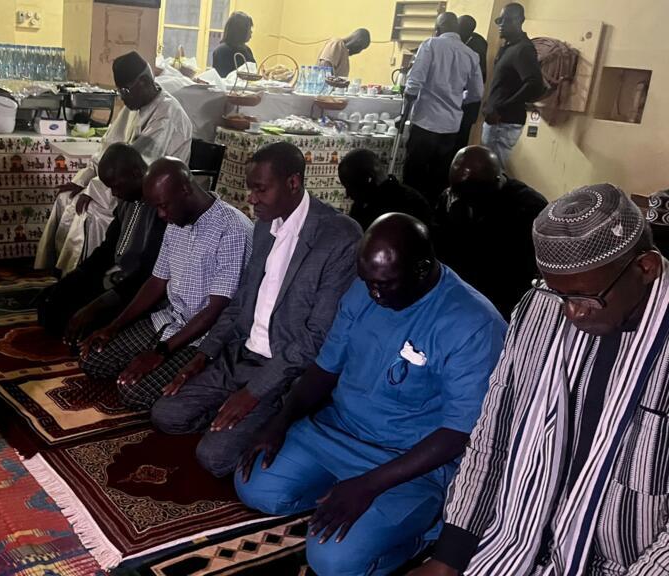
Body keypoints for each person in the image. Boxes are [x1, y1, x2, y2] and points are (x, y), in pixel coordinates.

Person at [410, 184, 669, 576]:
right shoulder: (539, 309)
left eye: (586, 298)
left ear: (645, 268)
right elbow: (493, 436)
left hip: (626, 564)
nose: (572, 315)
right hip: (515, 545)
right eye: (558, 294)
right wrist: (450, 554)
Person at [235, 213, 506, 576]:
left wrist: (368, 485)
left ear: (422, 269)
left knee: (332, 560)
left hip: (409, 461)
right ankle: (345, 500)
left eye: (383, 284)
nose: (373, 294)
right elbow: (326, 367)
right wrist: (280, 421)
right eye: (368, 282)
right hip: (339, 430)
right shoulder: (364, 291)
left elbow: (459, 433)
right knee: (253, 484)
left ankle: (422, 533)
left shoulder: (474, 324)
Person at [151, 142, 361, 477]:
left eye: (260, 189)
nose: (251, 199)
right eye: (251, 189)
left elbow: (316, 336)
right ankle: (233, 420)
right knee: (165, 414)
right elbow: (240, 303)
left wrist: (254, 393)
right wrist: (203, 355)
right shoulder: (265, 225)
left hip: (284, 371)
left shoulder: (339, 236)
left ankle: (273, 420)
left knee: (214, 458)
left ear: (293, 183)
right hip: (241, 356)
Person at [80, 157, 252, 411]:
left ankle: (209, 381)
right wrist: (113, 327)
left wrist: (160, 352)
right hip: (170, 320)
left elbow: (216, 310)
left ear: (185, 189)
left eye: (163, 206)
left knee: (133, 392)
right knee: (93, 359)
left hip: (202, 336)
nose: (161, 215)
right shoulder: (176, 219)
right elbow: (157, 281)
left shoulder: (232, 229)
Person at [35, 51, 192, 275]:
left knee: (91, 213)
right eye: (119, 92)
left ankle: (89, 278)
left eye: (125, 91)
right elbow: (107, 149)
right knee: (66, 198)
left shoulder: (167, 114)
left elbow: (137, 167)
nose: (122, 98)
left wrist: (93, 191)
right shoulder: (133, 107)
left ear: (144, 82)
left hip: (148, 192)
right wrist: (82, 180)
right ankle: (58, 274)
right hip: (121, 183)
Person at [37, 144, 166, 345]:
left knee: (85, 325)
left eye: (116, 186)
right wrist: (73, 278)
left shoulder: (162, 209)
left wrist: (95, 306)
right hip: (116, 281)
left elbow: (147, 275)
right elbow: (107, 250)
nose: (114, 194)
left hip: (139, 291)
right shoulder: (127, 200)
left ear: (136, 173)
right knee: (51, 302)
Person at [434, 145, 547, 319]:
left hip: (503, 299)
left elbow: (523, 270)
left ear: (495, 181)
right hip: (458, 293)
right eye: (456, 190)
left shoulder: (528, 208)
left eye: (468, 193)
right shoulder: (453, 198)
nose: (459, 197)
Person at [401, 12, 484, 203]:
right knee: (439, 178)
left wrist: (405, 110)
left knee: (414, 176)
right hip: (450, 127)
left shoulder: (431, 45)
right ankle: (433, 214)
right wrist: (458, 99)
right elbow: (477, 93)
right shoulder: (471, 55)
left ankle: (411, 212)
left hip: (425, 123)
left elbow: (414, 82)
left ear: (438, 29)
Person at [481, 2, 546, 171]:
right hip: (497, 121)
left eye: (507, 20)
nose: (501, 24)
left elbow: (535, 84)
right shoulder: (509, 47)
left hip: (503, 122)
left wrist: (501, 108)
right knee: (487, 170)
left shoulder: (523, 49)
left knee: (491, 172)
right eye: (499, 20)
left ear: (520, 21)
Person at [340, 148, 434, 231]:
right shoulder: (362, 204)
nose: (348, 194)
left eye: (351, 187)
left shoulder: (408, 205)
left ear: (369, 179)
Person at [455, 15, 488, 151]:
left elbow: (478, 81)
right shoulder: (467, 43)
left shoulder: (475, 48)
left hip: (466, 105)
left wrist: (462, 97)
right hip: (460, 103)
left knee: (457, 145)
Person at [212, 11, 255, 78]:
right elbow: (221, 78)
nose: (251, 32)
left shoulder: (247, 50)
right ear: (241, 30)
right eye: (249, 28)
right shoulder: (222, 51)